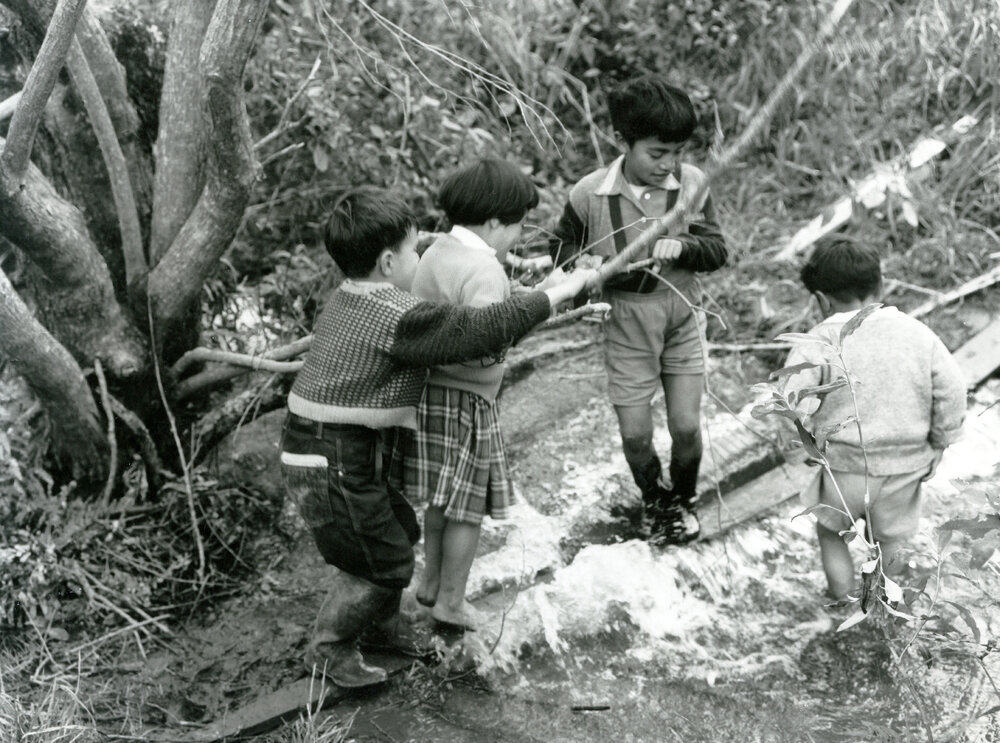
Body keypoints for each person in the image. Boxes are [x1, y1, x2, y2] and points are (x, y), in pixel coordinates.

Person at [280, 186, 593, 688]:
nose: (418, 258)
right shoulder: (395, 314)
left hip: (327, 447)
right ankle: (329, 649)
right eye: (410, 250)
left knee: (398, 532)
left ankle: (381, 627)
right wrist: (559, 292)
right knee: (383, 560)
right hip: (330, 454)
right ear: (387, 262)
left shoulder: (351, 297)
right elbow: (481, 329)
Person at [546, 75, 727, 543]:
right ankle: (655, 499)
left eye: (677, 152)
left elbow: (717, 250)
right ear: (622, 141)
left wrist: (683, 246)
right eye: (656, 153)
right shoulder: (590, 193)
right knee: (635, 436)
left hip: (681, 315)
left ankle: (683, 500)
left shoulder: (690, 185)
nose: (667, 165)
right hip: (626, 320)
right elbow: (563, 250)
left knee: (686, 427)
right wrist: (584, 266)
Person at [781, 239, 966, 599]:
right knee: (891, 542)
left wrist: (801, 450)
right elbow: (953, 389)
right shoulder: (918, 334)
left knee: (832, 533)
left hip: (844, 466)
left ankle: (843, 601)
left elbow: (791, 399)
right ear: (880, 286)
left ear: (820, 298)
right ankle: (884, 608)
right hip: (905, 464)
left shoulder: (819, 340)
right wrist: (939, 445)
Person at [405, 159, 538, 631]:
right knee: (468, 507)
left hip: (429, 395)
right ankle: (451, 601)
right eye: (519, 225)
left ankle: (430, 584)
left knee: (442, 500)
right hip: (467, 403)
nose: (519, 237)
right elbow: (484, 341)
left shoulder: (436, 251)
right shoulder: (483, 270)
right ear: (496, 221)